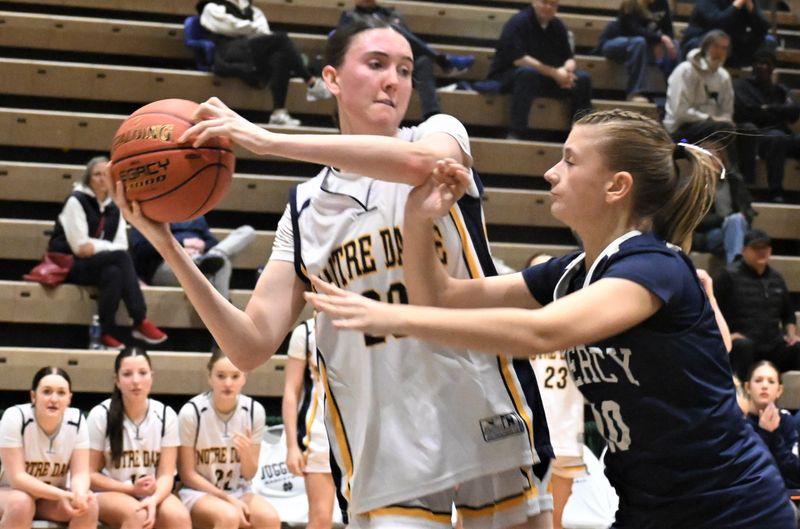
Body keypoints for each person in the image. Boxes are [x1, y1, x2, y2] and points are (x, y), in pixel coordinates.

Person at [108, 18, 554, 529]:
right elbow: (249, 346)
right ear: (332, 78)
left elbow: (422, 165)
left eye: (405, 70)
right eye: (376, 64)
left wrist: (270, 141)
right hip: (383, 436)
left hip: (481, 403)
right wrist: (167, 245)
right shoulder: (303, 210)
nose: (394, 81)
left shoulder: (439, 133)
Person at [306, 109, 797, 528]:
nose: (550, 173)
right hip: (649, 506)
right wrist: (418, 218)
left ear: (616, 186)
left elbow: (542, 332)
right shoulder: (572, 272)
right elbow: (440, 297)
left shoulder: (655, 267)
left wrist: (392, 316)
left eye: (570, 160)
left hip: (732, 507)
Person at [47, 156, 167, 350]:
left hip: (98, 264)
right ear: (88, 178)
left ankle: (106, 331)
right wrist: (107, 247)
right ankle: (139, 319)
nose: (103, 179)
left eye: (106, 175)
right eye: (97, 174)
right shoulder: (76, 201)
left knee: (114, 272)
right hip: (69, 263)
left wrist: (98, 247)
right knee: (120, 258)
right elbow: (80, 248)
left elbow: (121, 244)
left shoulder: (115, 207)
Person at [87, 347, 191, 529]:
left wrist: (154, 499)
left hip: (150, 492)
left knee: (179, 517)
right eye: (127, 374)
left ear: (152, 377)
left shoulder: (166, 415)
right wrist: (131, 489)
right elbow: (89, 475)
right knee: (139, 515)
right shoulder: (100, 415)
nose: (136, 381)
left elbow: (166, 474)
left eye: (142, 373)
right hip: (109, 491)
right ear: (117, 380)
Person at [177, 347, 279, 529]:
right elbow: (187, 474)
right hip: (198, 492)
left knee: (269, 518)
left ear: (244, 377)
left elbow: (249, 474)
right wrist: (225, 498)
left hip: (239, 491)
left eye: (235, 376)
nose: (228, 383)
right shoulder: (192, 413)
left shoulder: (254, 411)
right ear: (210, 377)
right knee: (228, 516)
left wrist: (246, 454)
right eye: (221, 376)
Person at [197, 0, 329, 127]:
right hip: (228, 52)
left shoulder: (253, 10)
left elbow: (263, 32)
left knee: (280, 57)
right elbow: (231, 27)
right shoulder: (212, 7)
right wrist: (252, 28)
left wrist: (249, 29)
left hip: (251, 50)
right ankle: (311, 81)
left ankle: (278, 113)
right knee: (281, 39)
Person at [337, 0, 475, 120]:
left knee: (423, 61)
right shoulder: (349, 16)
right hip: (371, 63)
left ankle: (432, 115)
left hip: (398, 62)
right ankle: (443, 60)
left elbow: (407, 44)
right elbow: (342, 45)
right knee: (393, 28)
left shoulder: (391, 13)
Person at [526, 254, 585, 529]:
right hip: (530, 433)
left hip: (566, 430)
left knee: (556, 520)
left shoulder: (578, 323)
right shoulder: (520, 323)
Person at [0, 367, 98, 529]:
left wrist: (79, 493)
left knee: (89, 504)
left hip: (50, 498)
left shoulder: (77, 420)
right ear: (33, 396)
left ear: (69, 398)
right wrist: (61, 494)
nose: (54, 399)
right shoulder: (15, 416)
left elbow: (80, 473)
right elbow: (17, 478)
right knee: (21, 504)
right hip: (9, 493)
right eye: (47, 392)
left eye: (61, 393)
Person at [487, 0, 592, 139]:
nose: (548, 7)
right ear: (534, 2)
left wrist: (567, 71)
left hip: (545, 77)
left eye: (553, 4)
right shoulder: (518, 22)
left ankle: (581, 134)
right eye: (544, 2)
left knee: (583, 79)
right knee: (527, 73)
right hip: (509, 76)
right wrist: (555, 73)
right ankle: (516, 132)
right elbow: (521, 60)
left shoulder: (558, 26)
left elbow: (569, 57)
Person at [664, 30, 757, 185]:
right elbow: (680, 113)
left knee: (748, 130)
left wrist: (718, 121)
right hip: (682, 130)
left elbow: (727, 113)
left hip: (714, 128)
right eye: (715, 46)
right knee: (723, 128)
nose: (719, 52)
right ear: (705, 47)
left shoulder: (723, 76)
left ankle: (747, 182)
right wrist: (711, 118)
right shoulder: (685, 70)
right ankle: (733, 177)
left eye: (724, 48)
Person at [714, 229, 800, 380]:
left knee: (797, 348)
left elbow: (788, 314)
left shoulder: (776, 278)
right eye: (756, 248)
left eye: (764, 247)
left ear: (770, 250)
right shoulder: (727, 276)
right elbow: (711, 311)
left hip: (773, 344)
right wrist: (728, 336)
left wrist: (791, 335)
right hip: (740, 345)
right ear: (744, 251)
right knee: (744, 346)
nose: (761, 252)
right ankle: (742, 392)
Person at [282, 319, 335, 529]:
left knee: (363, 517)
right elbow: (290, 391)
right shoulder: (305, 333)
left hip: (360, 433)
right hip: (319, 435)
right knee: (321, 520)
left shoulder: (364, 322)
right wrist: (291, 446)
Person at [131, 217, 255, 300]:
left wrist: (203, 245)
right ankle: (226, 321)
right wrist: (179, 245)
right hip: (165, 263)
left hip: (199, 256)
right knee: (223, 263)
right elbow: (141, 248)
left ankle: (211, 256)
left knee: (246, 232)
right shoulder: (149, 212)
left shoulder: (195, 213)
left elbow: (212, 241)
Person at [734, 46, 800, 203]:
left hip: (783, 134)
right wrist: (779, 110)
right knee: (777, 138)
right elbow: (748, 111)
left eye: (768, 63)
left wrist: (767, 108)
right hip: (758, 137)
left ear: (773, 68)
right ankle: (775, 191)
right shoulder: (741, 86)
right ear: (753, 65)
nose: (763, 66)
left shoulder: (781, 89)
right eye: (760, 63)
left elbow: (794, 112)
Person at [595, 0, 678, 102]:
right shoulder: (631, 3)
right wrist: (660, 38)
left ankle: (675, 90)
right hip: (614, 43)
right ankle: (634, 92)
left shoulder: (662, 3)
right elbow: (632, 30)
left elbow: (668, 30)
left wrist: (665, 41)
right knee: (639, 42)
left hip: (642, 45)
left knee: (674, 44)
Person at [743, 360, 800, 488]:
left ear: (779, 390)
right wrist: (765, 433)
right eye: (758, 380)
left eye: (771, 381)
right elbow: (747, 468)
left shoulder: (786, 420)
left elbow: (795, 473)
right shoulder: (740, 420)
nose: (764, 386)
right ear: (747, 387)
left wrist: (774, 436)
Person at [680, 0, 771, 67]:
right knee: (717, 41)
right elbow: (718, 27)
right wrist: (737, 5)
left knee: (768, 42)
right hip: (701, 44)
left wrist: (751, 9)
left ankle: (757, 85)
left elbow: (763, 29)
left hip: (730, 48)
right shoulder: (707, 1)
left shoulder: (747, 2)